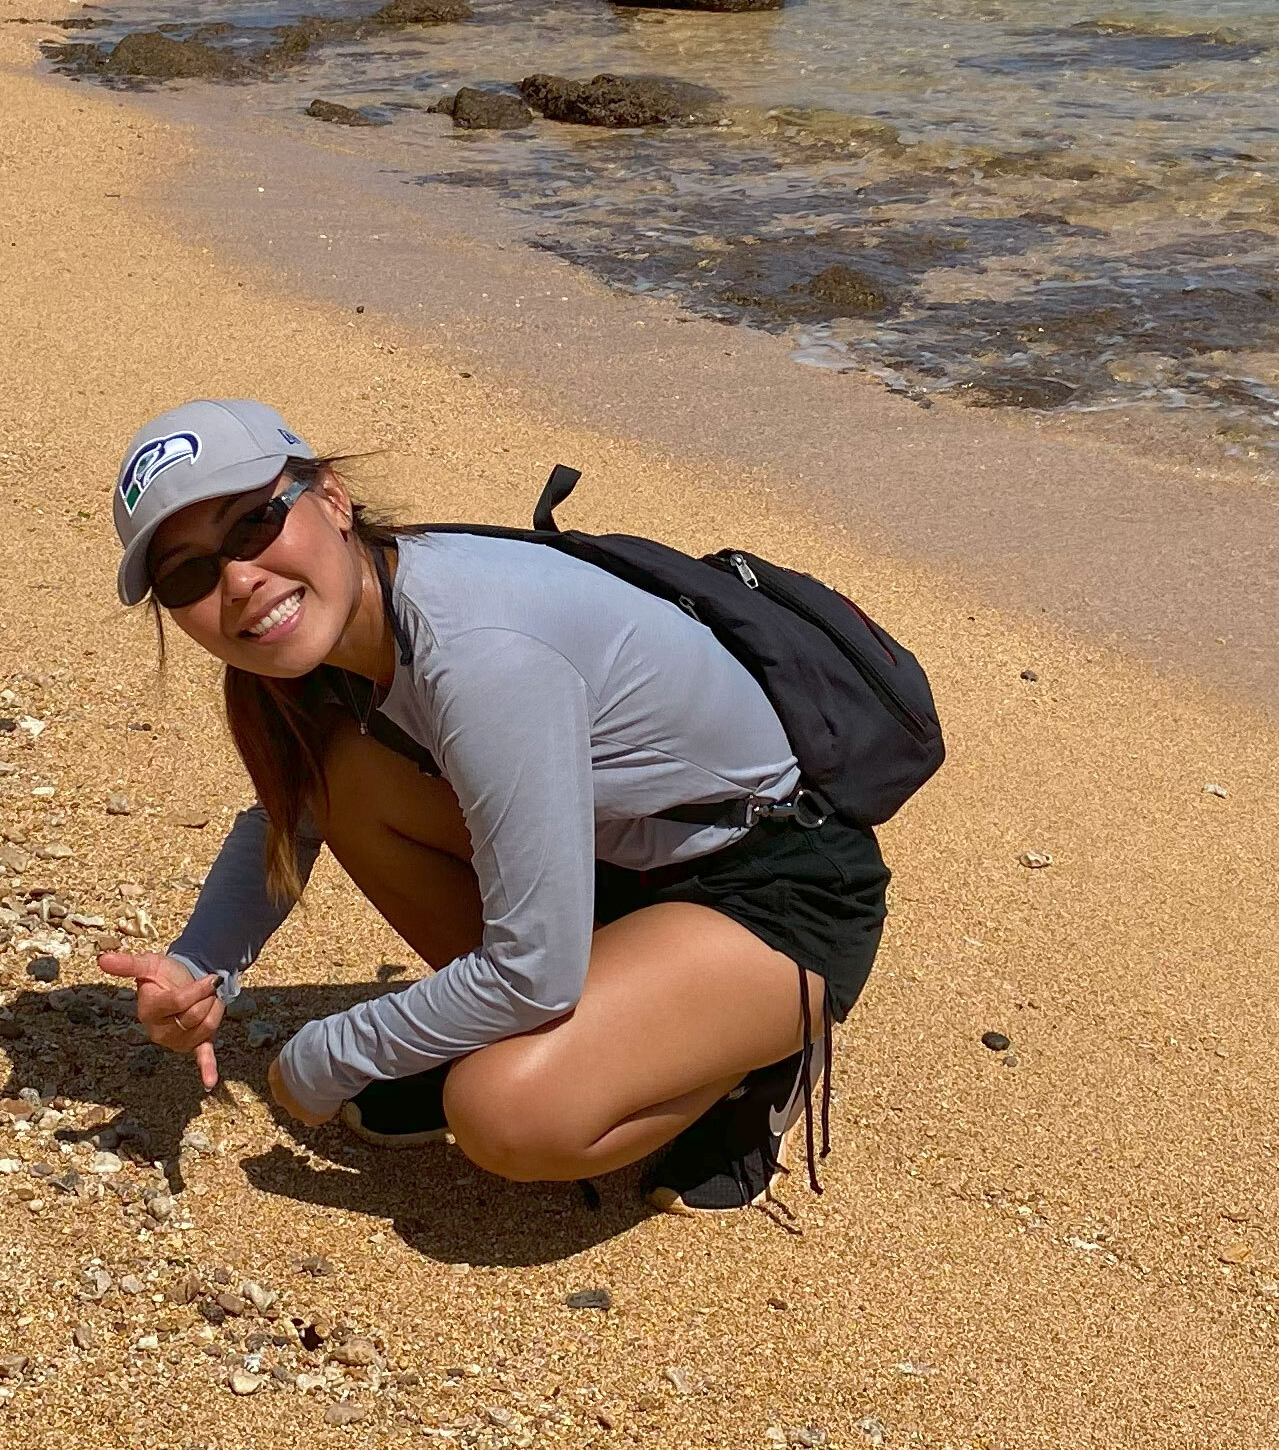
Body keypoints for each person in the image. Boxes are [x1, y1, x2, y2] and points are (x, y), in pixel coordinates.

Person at [92, 400, 890, 1213]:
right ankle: (613, 1025)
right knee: (344, 780)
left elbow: (531, 973)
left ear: (330, 498)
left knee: (503, 1110)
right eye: (188, 574)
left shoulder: (477, 650)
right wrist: (199, 967)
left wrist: (329, 1053)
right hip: (621, 861)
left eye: (254, 523)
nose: (236, 581)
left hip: (777, 891)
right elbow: (291, 815)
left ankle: (752, 1064)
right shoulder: (338, 633)